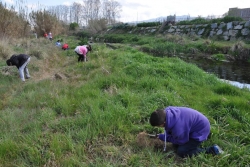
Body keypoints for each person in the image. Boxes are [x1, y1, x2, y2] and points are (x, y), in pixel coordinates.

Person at [149, 106, 224, 158]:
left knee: (181, 151)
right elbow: (169, 129)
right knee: (175, 144)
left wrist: (163, 137)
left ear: (163, 123)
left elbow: (181, 141)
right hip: (197, 123)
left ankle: (212, 150)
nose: (160, 127)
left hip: (201, 131)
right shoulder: (168, 111)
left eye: (159, 126)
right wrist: (167, 136)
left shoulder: (178, 129)